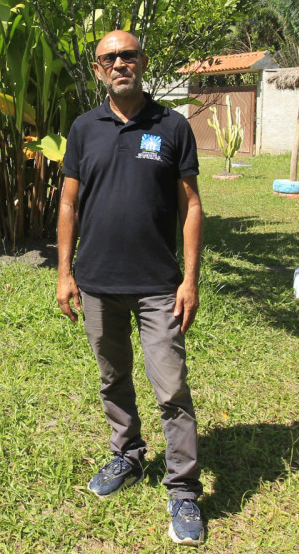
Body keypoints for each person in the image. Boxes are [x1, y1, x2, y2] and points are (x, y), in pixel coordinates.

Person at [56, 30, 205, 546]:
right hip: (97, 283)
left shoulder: (172, 126)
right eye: (109, 58)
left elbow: (191, 206)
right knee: (112, 377)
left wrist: (190, 279)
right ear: (98, 70)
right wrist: (64, 273)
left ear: (143, 62)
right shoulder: (83, 129)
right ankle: (127, 454)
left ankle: (183, 492)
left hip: (159, 285)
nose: (120, 63)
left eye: (129, 55)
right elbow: (69, 205)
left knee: (172, 389)